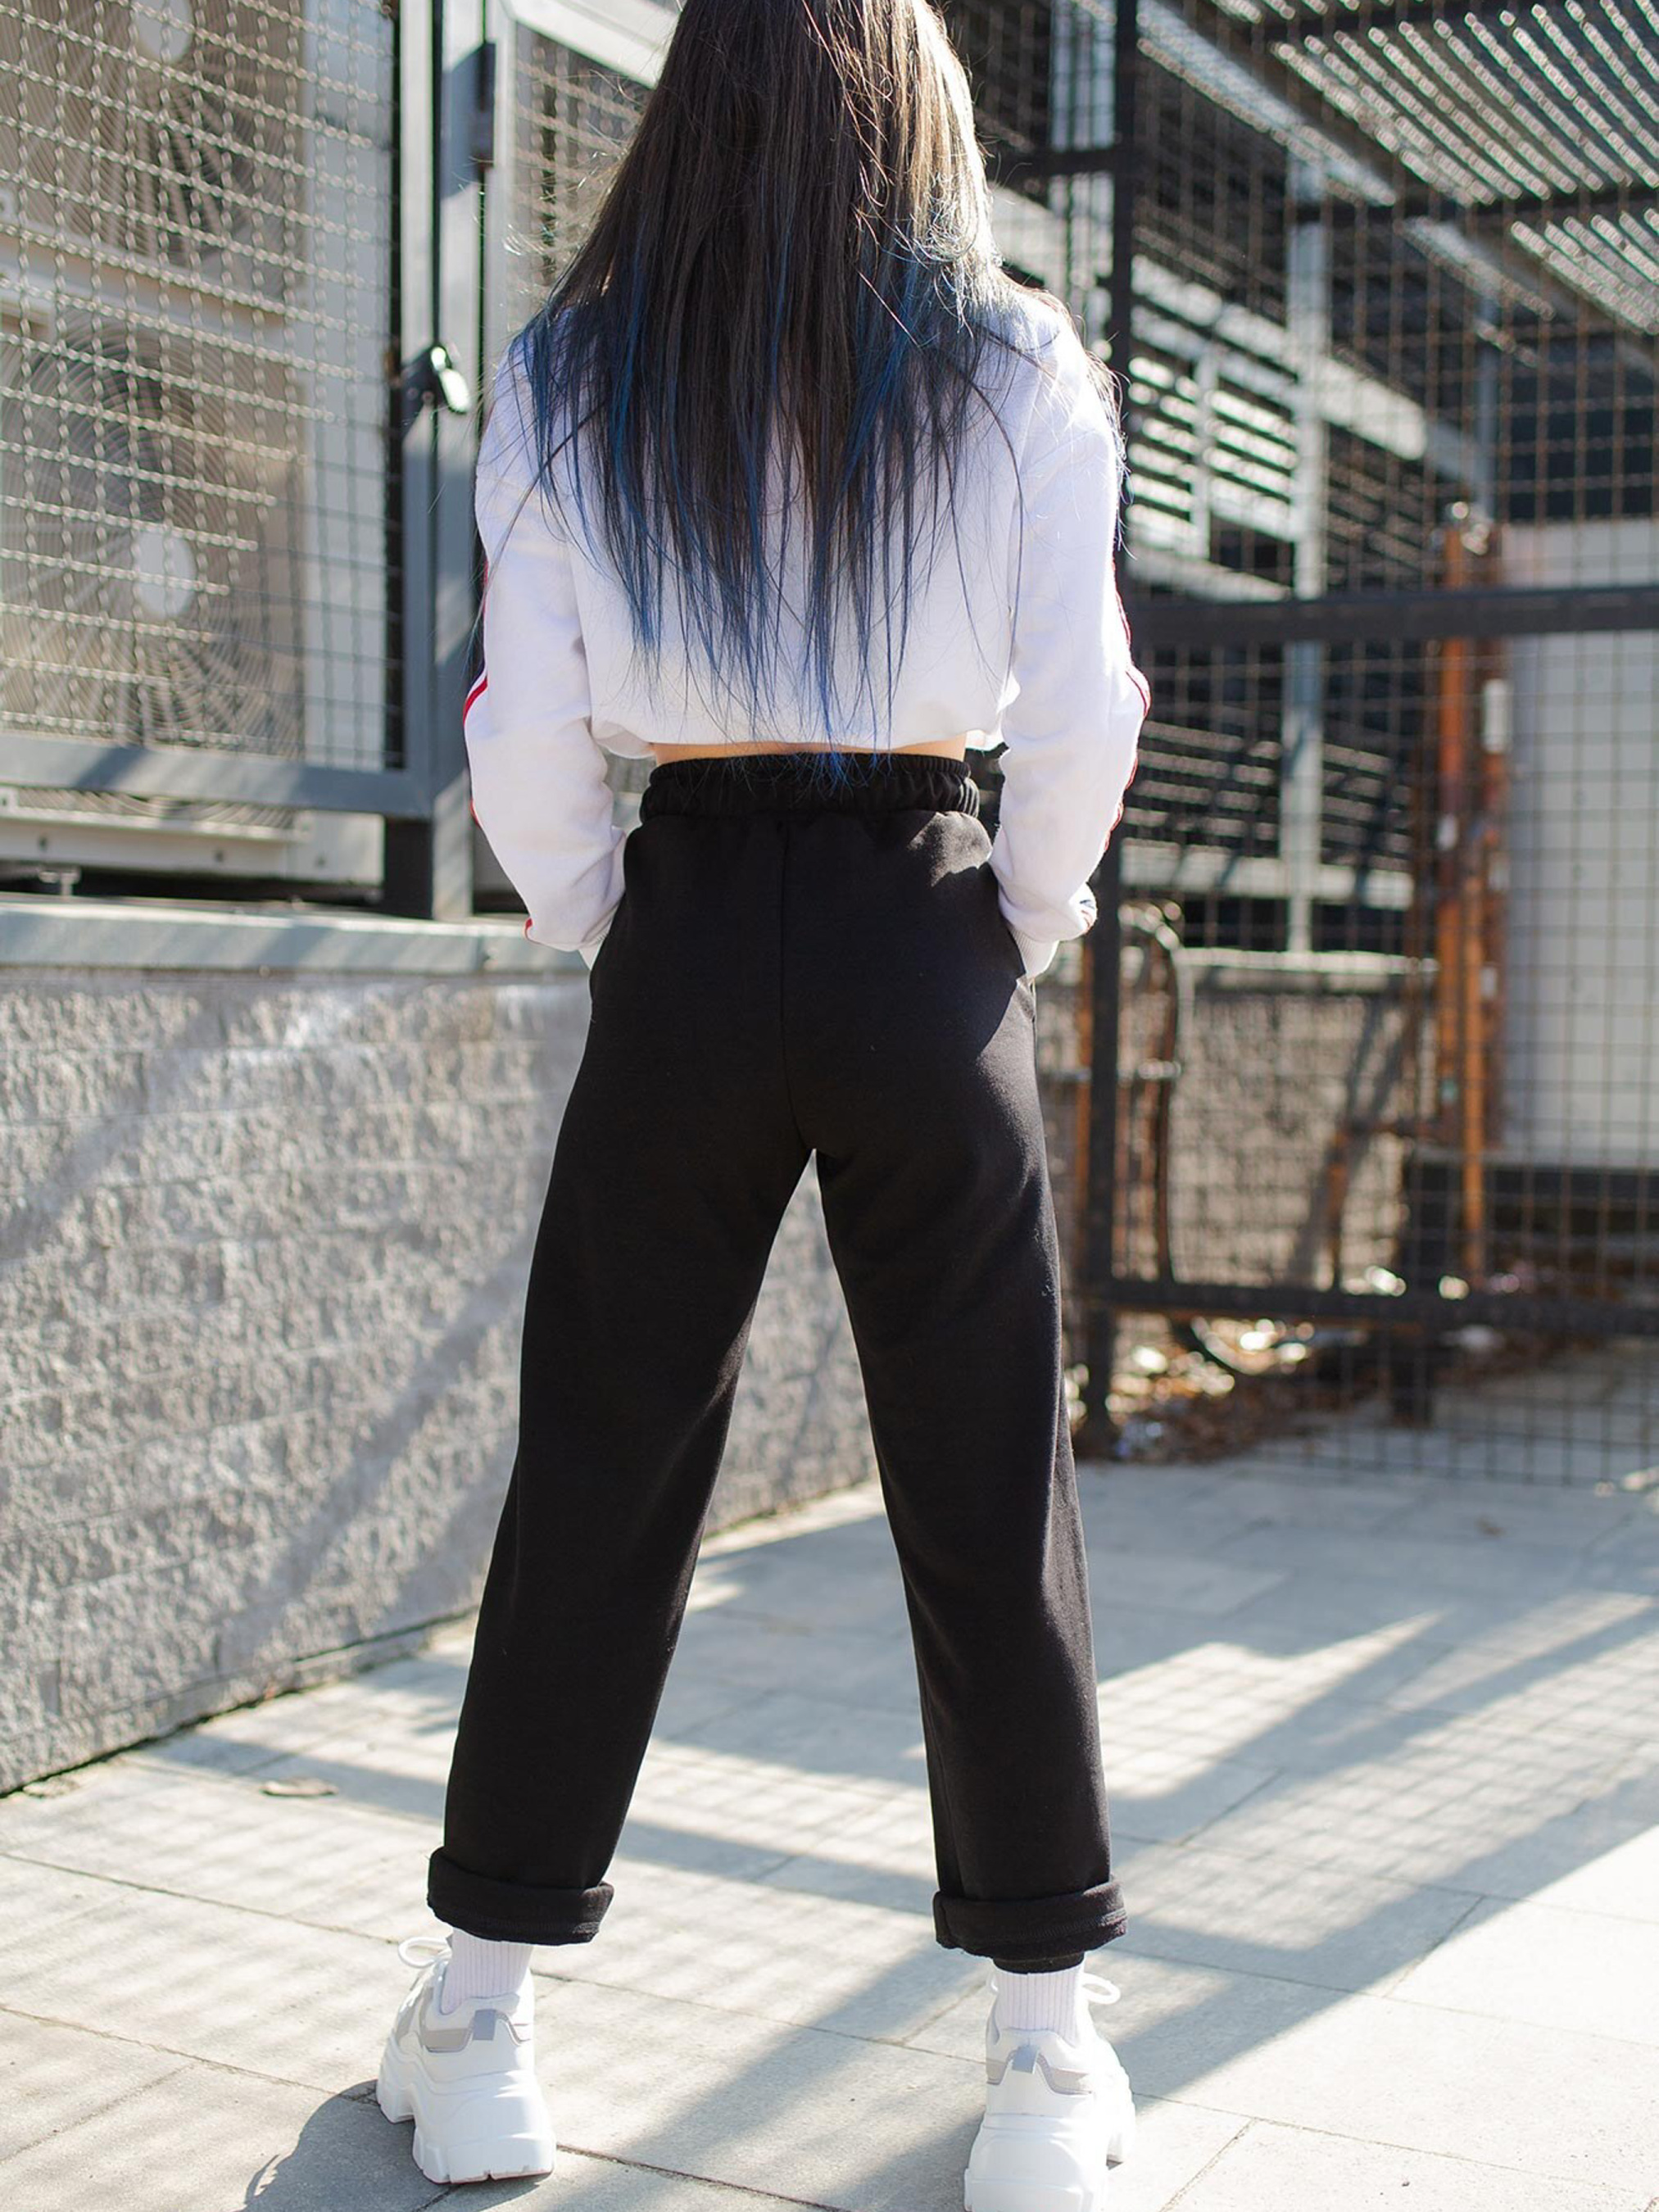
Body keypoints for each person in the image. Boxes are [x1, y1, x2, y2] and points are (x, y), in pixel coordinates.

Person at [374, 0, 1151, 2201]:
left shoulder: (573, 368)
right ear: (912, 102)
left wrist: (609, 921)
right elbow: (1083, 701)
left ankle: (481, 2021)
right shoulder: (1014, 358)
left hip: (689, 919)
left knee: (601, 1466)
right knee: (985, 1478)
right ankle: (1042, 2059)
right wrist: (1013, 922)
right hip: (926, 906)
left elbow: (524, 722)